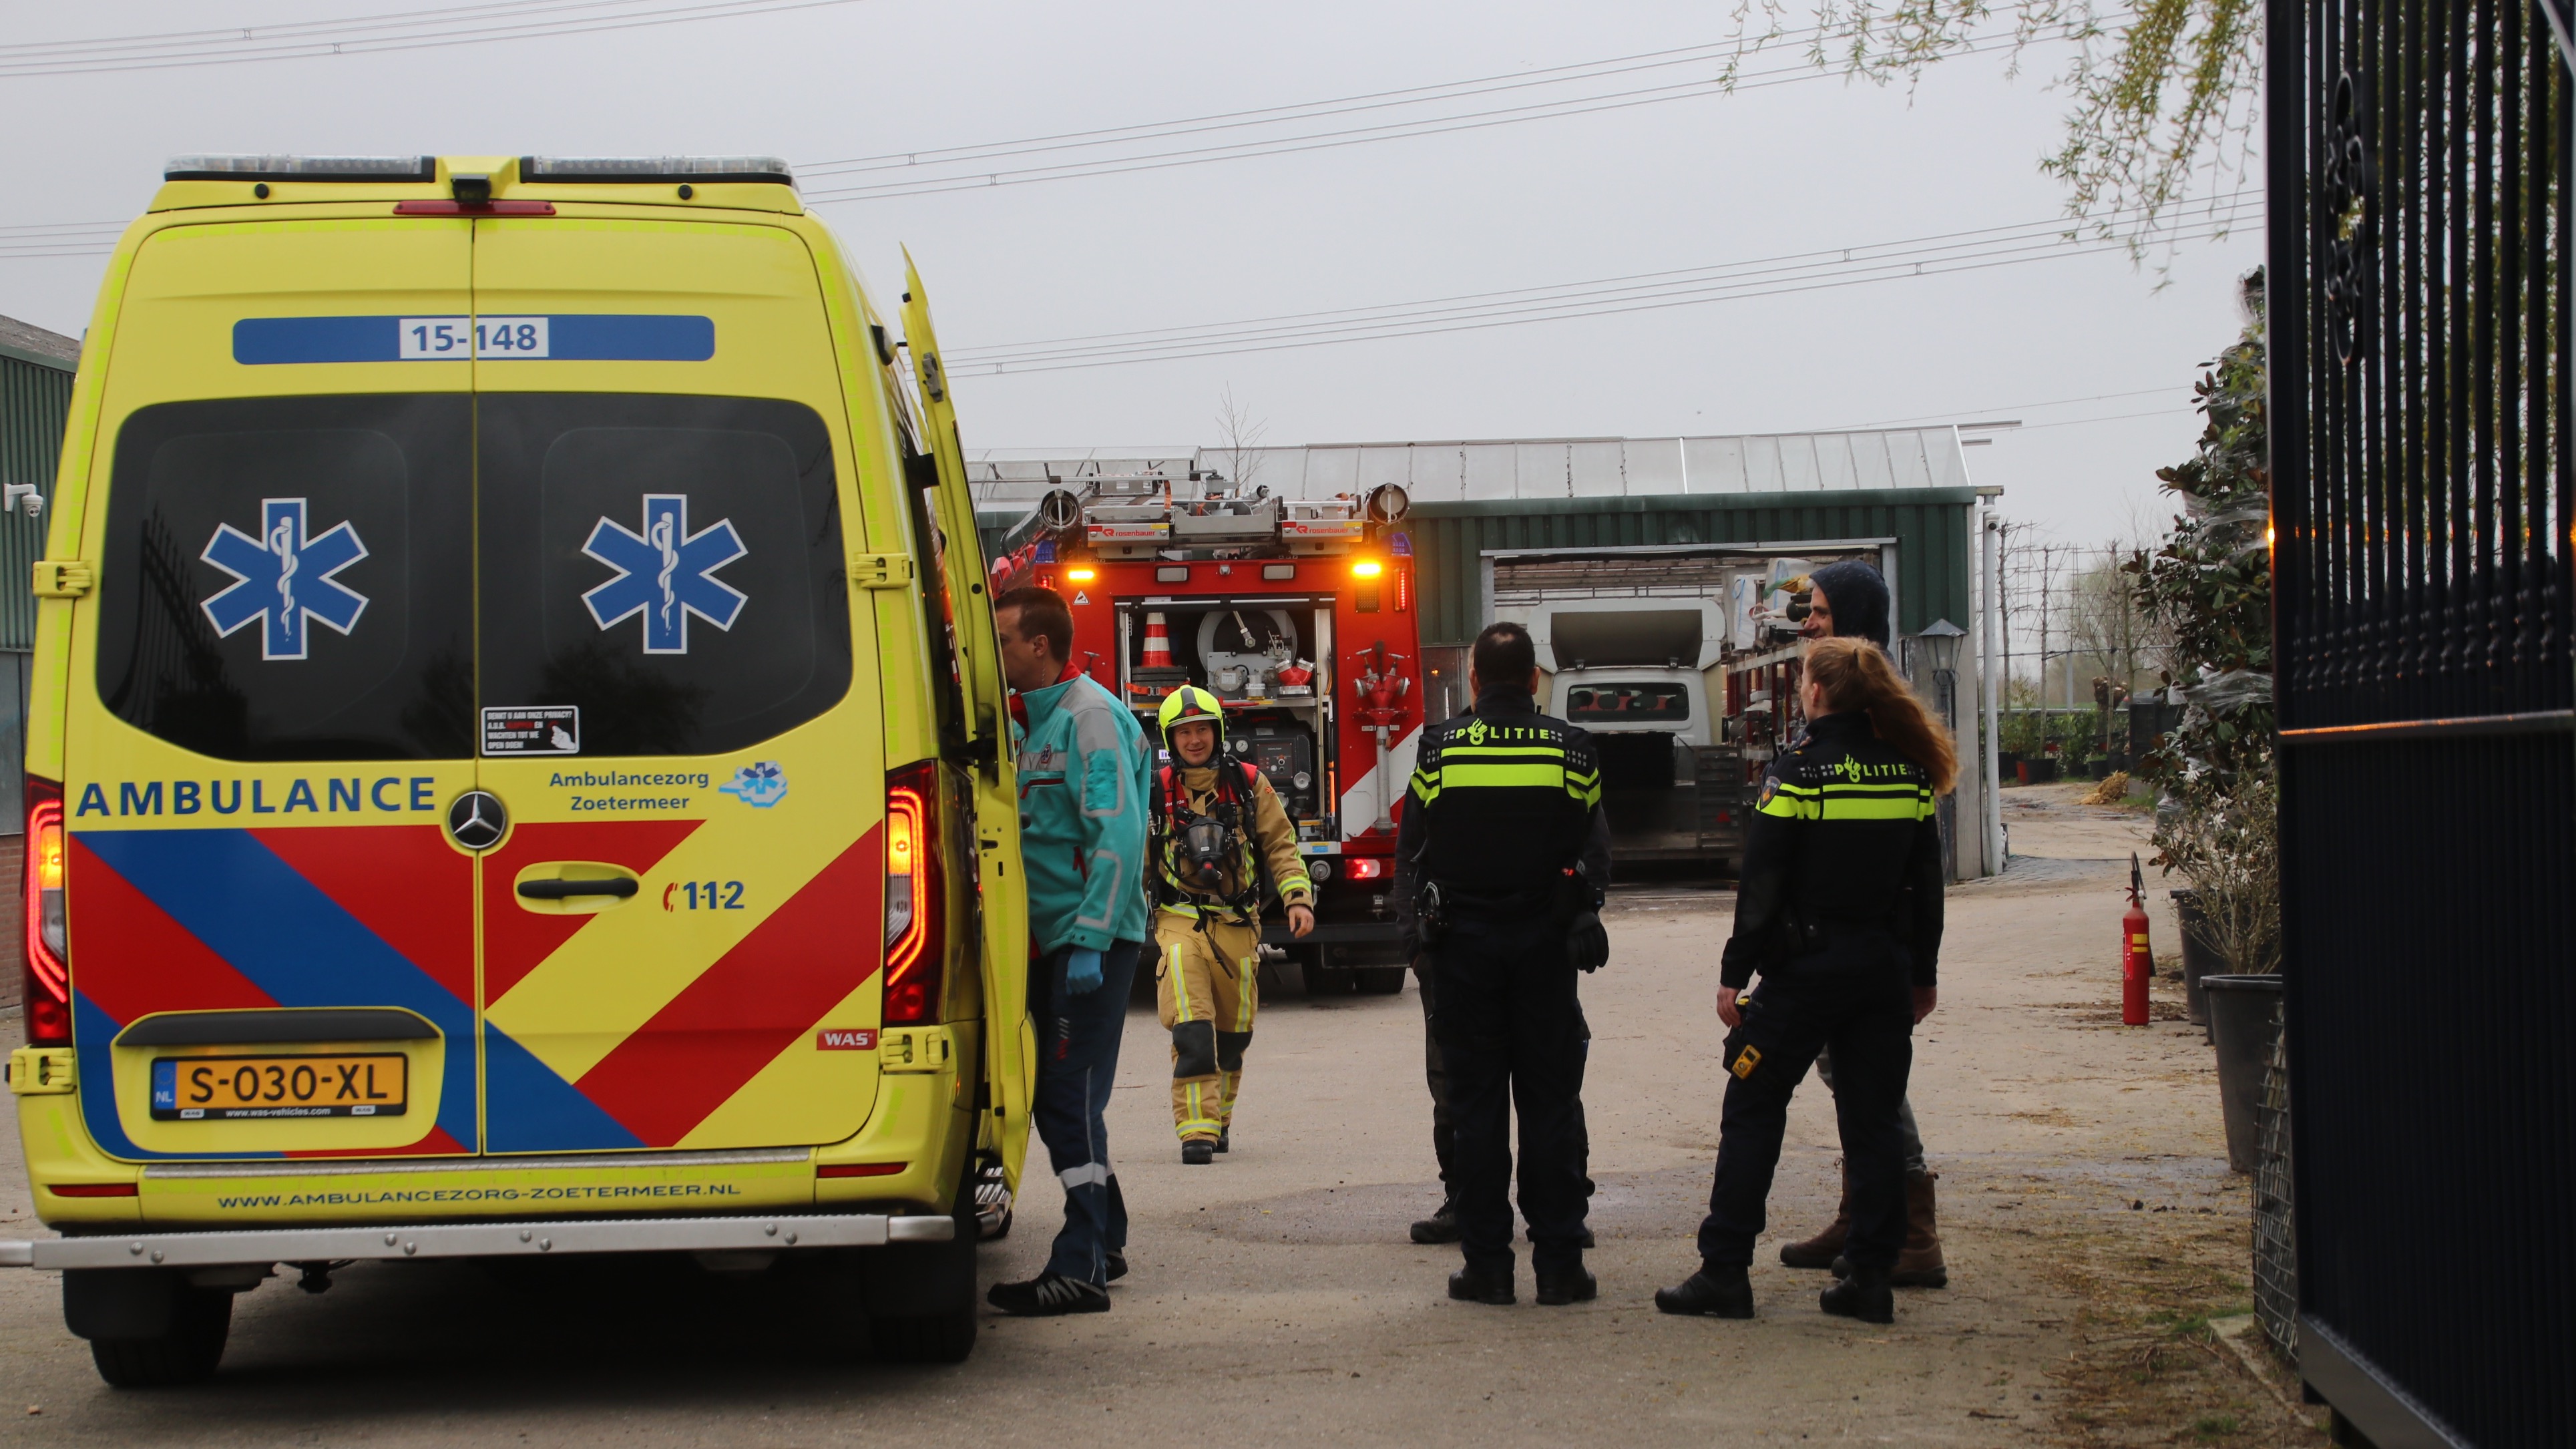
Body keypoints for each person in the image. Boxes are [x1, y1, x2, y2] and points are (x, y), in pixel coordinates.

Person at [1655, 636, 1952, 1324]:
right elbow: (1927, 886)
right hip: (1882, 970)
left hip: (1807, 972)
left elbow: (1762, 885)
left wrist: (1734, 976)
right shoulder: (1907, 776)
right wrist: (1924, 975)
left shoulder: (1798, 774)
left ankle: (1725, 1270)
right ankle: (1871, 1279)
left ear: (1816, 693)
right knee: (1873, 1121)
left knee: (1754, 1105)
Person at [1394, 622, 1611, 1307]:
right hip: (1546, 949)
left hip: (1462, 951)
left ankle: (1488, 1267)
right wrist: (1582, 908)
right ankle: (1560, 1268)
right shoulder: (1572, 751)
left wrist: (1415, 943)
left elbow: (1412, 850)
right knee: (1550, 1105)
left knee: (1477, 1110)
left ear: (1477, 682)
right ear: (1536, 680)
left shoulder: (1440, 751)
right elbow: (1596, 847)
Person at [986, 585, 1152, 1317]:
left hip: (1089, 943)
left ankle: (1080, 1264)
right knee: (1067, 1101)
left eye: (1004, 641)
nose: (997, 653)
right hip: (1052, 943)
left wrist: (1089, 938)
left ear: (1040, 646)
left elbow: (1116, 834)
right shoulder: (1038, 721)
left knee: (1067, 1100)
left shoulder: (1089, 719)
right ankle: (1105, 1237)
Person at [1782, 559, 1948, 1289]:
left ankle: (1910, 1226)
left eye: (1818, 610)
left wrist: (1921, 965)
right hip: (1841, 936)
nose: (1808, 621)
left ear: (1851, 613)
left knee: (1868, 1082)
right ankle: (1863, 1212)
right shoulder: (1848, 695)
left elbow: (1917, 860)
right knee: (1845, 1073)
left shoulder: (1874, 715)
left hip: (1860, 938)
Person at [1148, 684, 1315, 1163]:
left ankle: (1218, 1118)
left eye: (1202, 729)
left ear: (1217, 731)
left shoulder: (1248, 784)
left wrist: (1297, 898)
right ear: (1171, 738)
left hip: (1239, 923)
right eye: (1184, 732)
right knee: (1192, 1024)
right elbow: (1133, 859)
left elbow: (1281, 845)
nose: (1194, 739)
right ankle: (1196, 1130)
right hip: (1179, 920)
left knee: (1233, 1032)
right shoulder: (1156, 791)